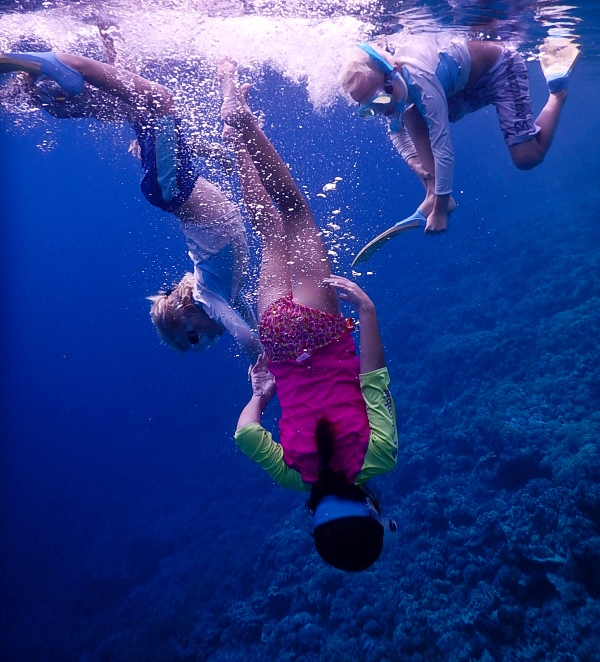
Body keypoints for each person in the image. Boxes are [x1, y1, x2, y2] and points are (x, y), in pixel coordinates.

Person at [218, 57, 397, 572]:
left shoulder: (378, 458)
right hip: (275, 338)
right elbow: (245, 433)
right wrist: (260, 393)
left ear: (370, 510)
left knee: (295, 213)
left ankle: (244, 122)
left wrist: (367, 312)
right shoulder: (293, 476)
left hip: (322, 328)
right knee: (268, 232)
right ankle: (233, 135)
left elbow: (373, 380)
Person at [0, 40, 261, 360]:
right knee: (132, 104)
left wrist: (259, 372)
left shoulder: (209, 300)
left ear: (184, 312)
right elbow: (252, 325)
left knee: (159, 99)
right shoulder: (229, 296)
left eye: (194, 339)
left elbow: (248, 339)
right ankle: (54, 87)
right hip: (177, 186)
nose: (207, 340)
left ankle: (59, 64)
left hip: (171, 190)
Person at [340, 34, 579, 233]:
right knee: (411, 115)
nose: (381, 110)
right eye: (369, 110)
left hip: (499, 70)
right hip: (461, 86)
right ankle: (433, 193)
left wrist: (441, 211)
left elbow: (443, 148)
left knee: (527, 158)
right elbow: (396, 128)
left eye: (380, 100)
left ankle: (557, 94)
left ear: (395, 73)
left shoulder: (420, 82)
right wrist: (413, 161)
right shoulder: (393, 92)